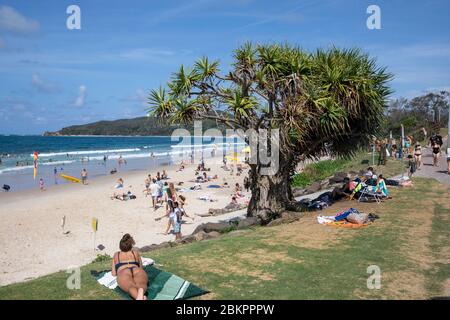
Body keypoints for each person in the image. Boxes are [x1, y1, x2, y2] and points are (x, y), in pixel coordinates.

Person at [111, 234, 148, 300]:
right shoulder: (135, 253)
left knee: (130, 287)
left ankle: (138, 298)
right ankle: (141, 291)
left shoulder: (116, 254)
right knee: (141, 283)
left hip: (123, 271)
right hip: (136, 269)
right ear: (131, 245)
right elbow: (141, 268)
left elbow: (114, 274)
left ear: (120, 246)